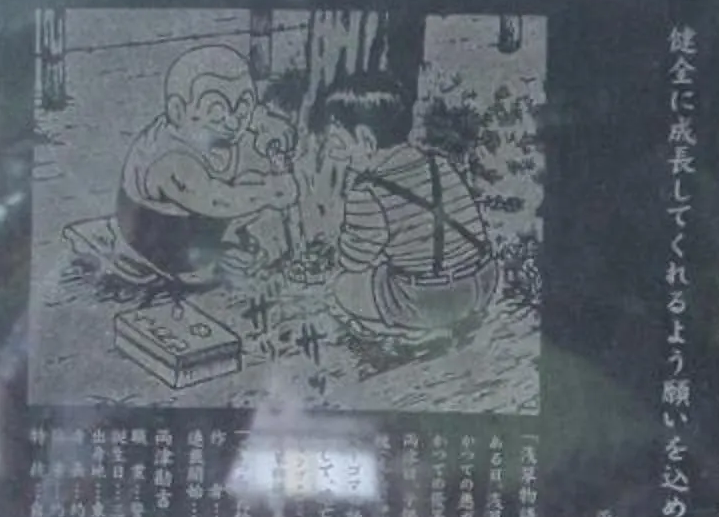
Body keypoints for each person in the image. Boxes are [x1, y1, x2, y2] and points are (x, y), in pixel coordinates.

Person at [311, 77, 500, 352]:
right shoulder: (439, 163)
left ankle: (410, 333)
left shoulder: (367, 191)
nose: (333, 153)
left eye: (338, 143)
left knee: (342, 288)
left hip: (428, 299)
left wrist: (336, 255)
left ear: (365, 139)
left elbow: (353, 261)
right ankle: (454, 321)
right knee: (397, 270)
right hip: (484, 281)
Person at [114, 42, 298, 287]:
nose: (233, 123)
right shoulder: (169, 158)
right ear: (178, 111)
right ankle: (202, 262)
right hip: (158, 234)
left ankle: (223, 250)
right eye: (217, 111)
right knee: (242, 195)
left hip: (200, 224)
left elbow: (261, 118)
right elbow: (214, 200)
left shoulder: (215, 126)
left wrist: (276, 129)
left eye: (242, 107)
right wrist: (269, 192)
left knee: (249, 182)